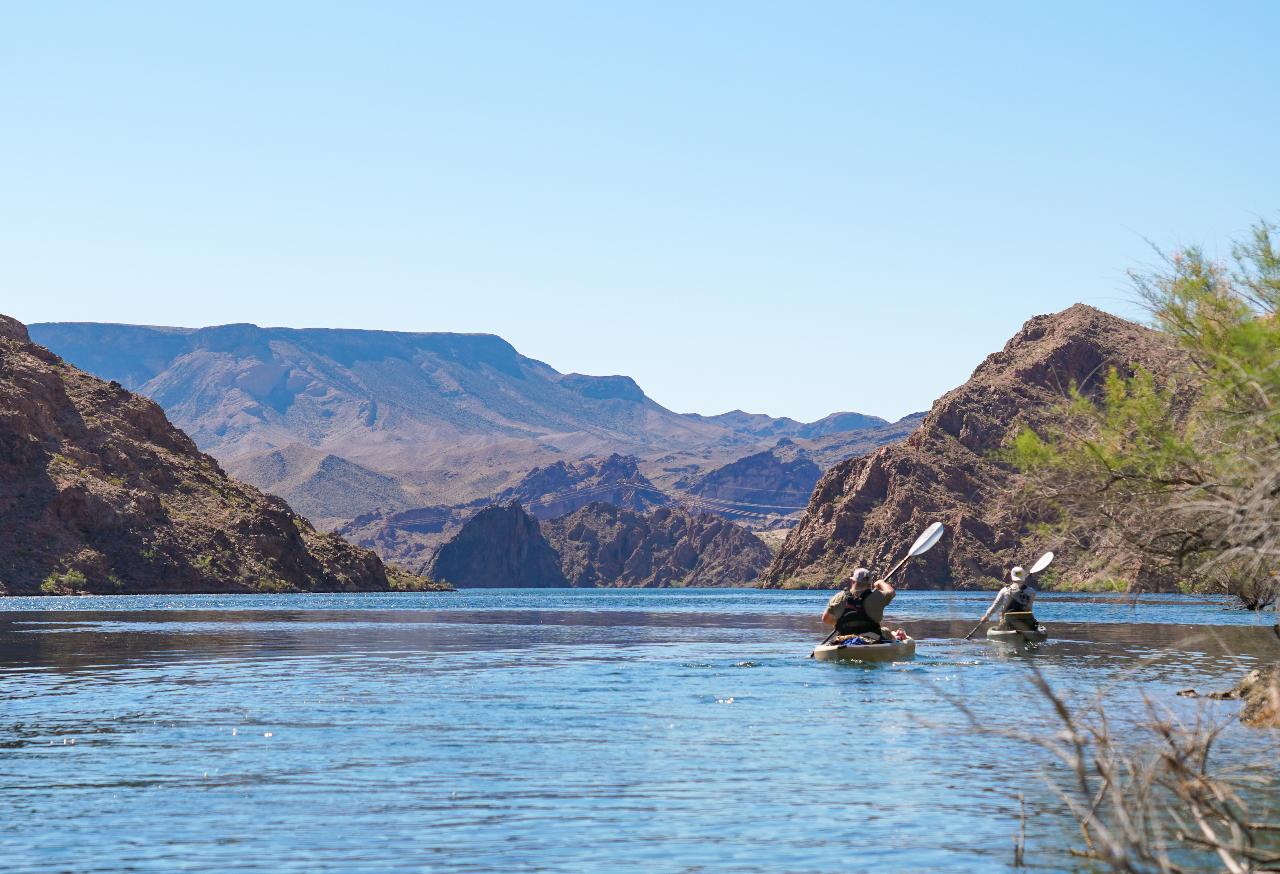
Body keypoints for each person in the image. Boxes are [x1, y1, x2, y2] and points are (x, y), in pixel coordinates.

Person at [822, 567, 896, 640]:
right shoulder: (878, 597)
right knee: (886, 631)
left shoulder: (838, 597)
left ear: (853, 581)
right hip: (872, 638)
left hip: (845, 638)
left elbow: (825, 618)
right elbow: (891, 592)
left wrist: (838, 624)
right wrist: (881, 582)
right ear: (870, 583)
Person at [977, 565, 1039, 631]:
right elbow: (1028, 607)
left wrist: (986, 616)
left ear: (1012, 577)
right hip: (1026, 623)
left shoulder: (1004, 591)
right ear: (1023, 577)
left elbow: (995, 606)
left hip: (1008, 624)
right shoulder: (1032, 592)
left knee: (1001, 613)